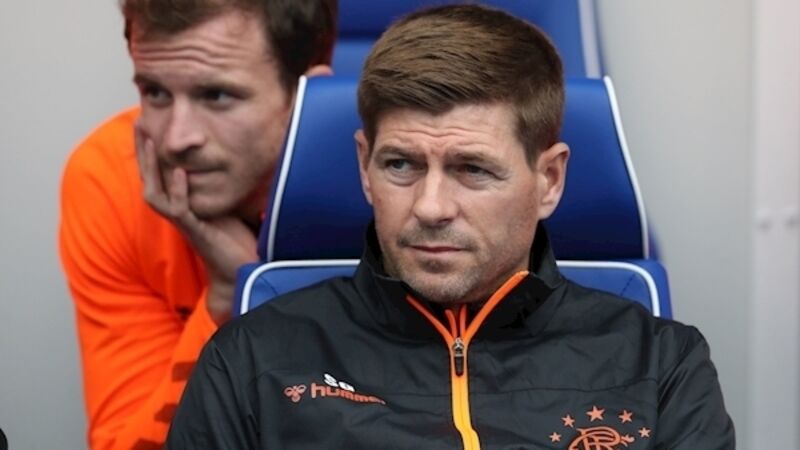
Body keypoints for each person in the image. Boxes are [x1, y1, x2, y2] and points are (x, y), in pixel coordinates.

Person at [167, 4, 735, 449]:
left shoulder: (659, 365)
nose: (431, 207)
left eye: (472, 169)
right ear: (364, 168)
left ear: (549, 180)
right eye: (400, 165)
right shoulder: (251, 359)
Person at [58, 0, 337, 448]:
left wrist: (259, 292)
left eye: (216, 96)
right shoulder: (111, 177)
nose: (175, 139)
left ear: (312, 97)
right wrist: (224, 300)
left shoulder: (396, 185)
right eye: (155, 92)